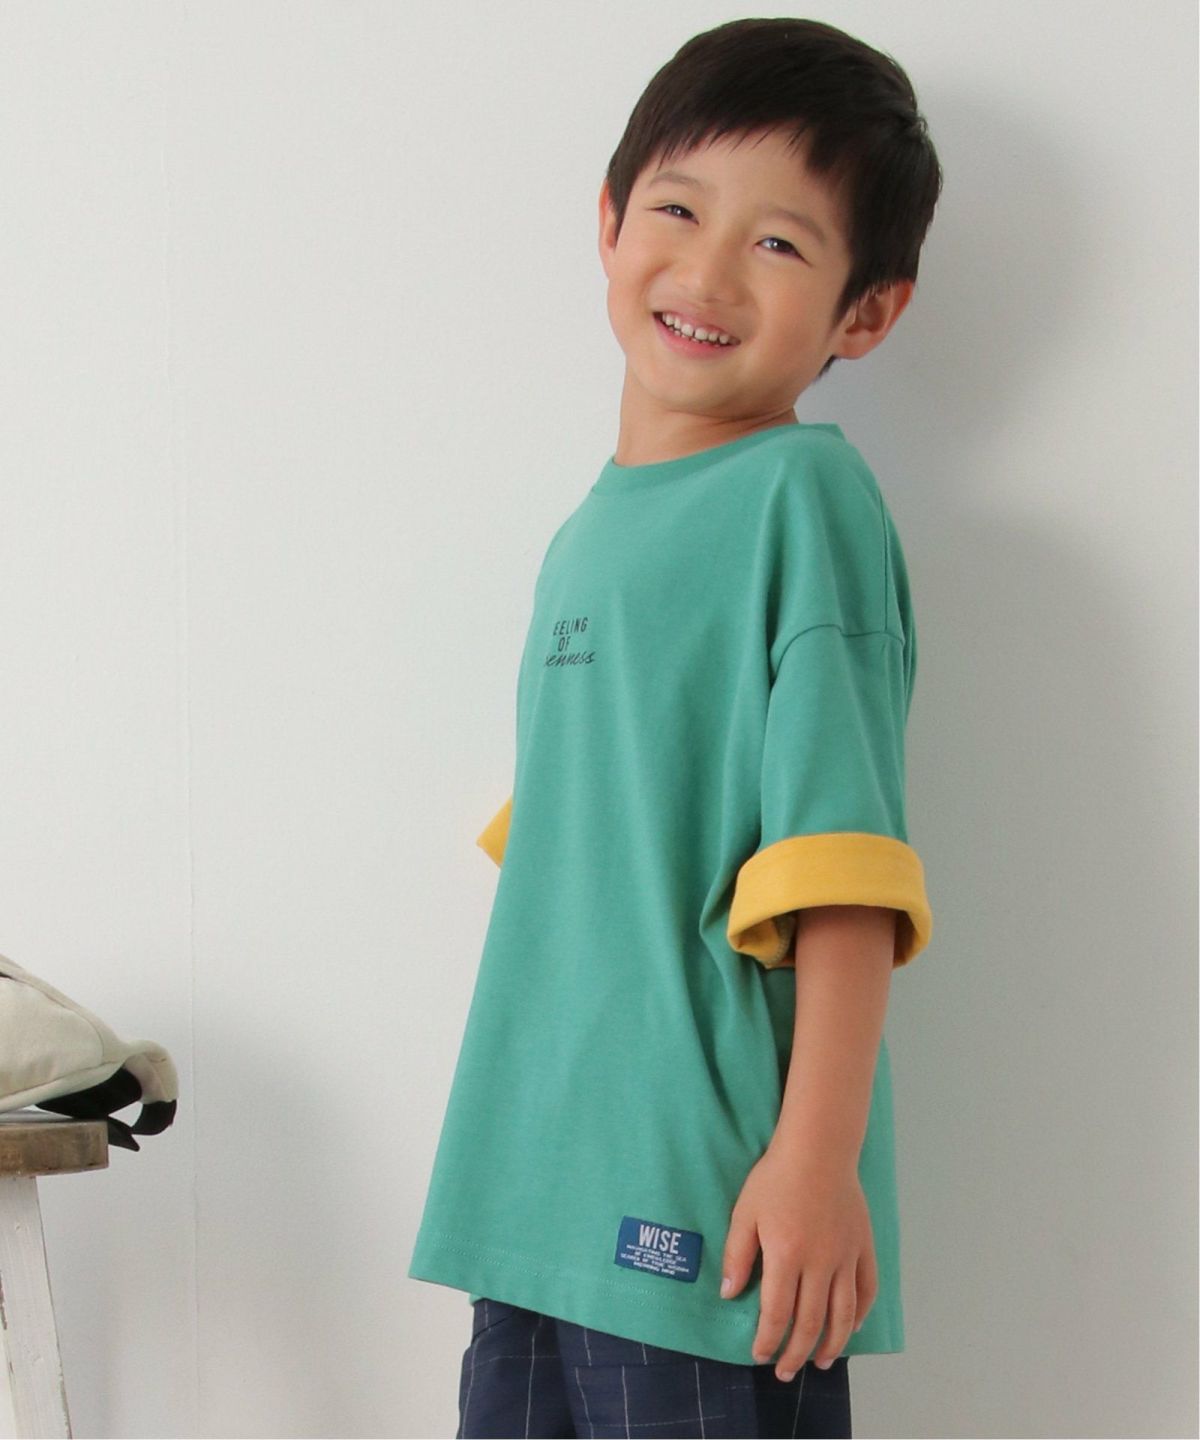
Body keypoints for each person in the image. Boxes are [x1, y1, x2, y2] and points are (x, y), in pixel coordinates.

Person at [408, 16, 943, 1438]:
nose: (707, 274)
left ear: (866, 311)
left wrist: (817, 1161)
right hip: (532, 1193)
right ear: (609, 219)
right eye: (679, 210)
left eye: (778, 243)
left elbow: (843, 860)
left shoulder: (805, 500)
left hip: (703, 1208)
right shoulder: (582, 537)